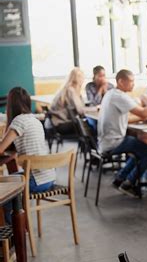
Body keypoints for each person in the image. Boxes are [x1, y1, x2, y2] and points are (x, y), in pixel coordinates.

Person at [98, 69, 147, 197]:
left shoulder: (111, 94)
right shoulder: (119, 96)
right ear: (121, 81)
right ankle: (128, 183)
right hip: (113, 142)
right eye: (131, 81)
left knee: (139, 148)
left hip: (106, 141)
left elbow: (127, 118)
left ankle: (120, 178)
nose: (133, 84)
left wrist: (142, 117)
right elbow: (144, 112)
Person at [0, 88, 56, 222]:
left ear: (11, 105)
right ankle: (19, 230)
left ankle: (11, 234)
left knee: (5, 191)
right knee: (10, 181)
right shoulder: (35, 120)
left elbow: (1, 148)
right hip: (49, 177)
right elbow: (12, 151)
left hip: (35, 181)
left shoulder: (18, 121)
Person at [48, 67, 86, 135]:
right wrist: (95, 108)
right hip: (62, 125)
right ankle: (92, 145)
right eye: (82, 77)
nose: (83, 80)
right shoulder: (71, 90)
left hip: (55, 125)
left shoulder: (66, 89)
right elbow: (80, 110)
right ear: (77, 79)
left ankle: (87, 145)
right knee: (88, 126)